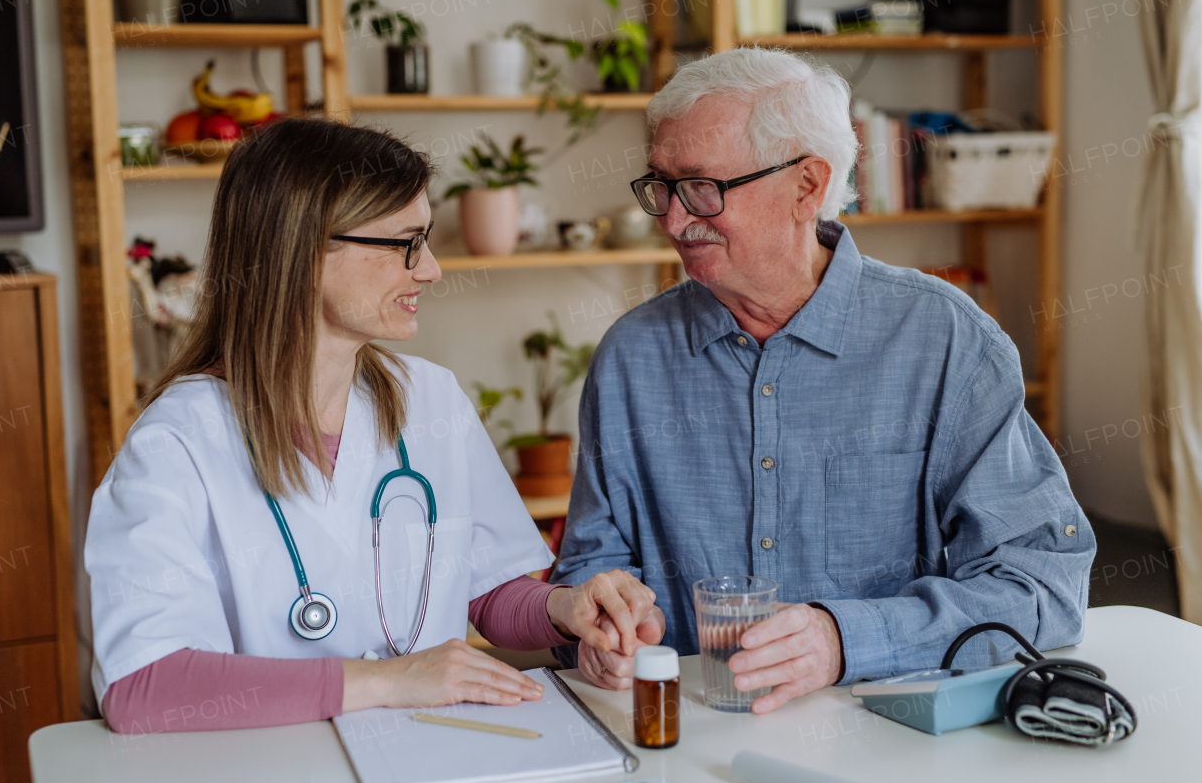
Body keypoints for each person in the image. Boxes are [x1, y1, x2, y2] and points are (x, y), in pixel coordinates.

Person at [550, 47, 1096, 713]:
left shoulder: (944, 341)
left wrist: (846, 638)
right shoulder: (630, 357)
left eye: (701, 187)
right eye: (661, 186)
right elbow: (589, 569)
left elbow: (1043, 584)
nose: (671, 219)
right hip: (686, 742)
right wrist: (600, 625)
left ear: (807, 187)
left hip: (891, 741)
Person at [85, 118, 655, 734]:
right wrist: (389, 680)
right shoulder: (177, 442)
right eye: (406, 243)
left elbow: (486, 593)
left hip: (423, 766)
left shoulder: (430, 400)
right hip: (276, 782)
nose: (431, 268)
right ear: (303, 249)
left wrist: (566, 609)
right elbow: (142, 687)